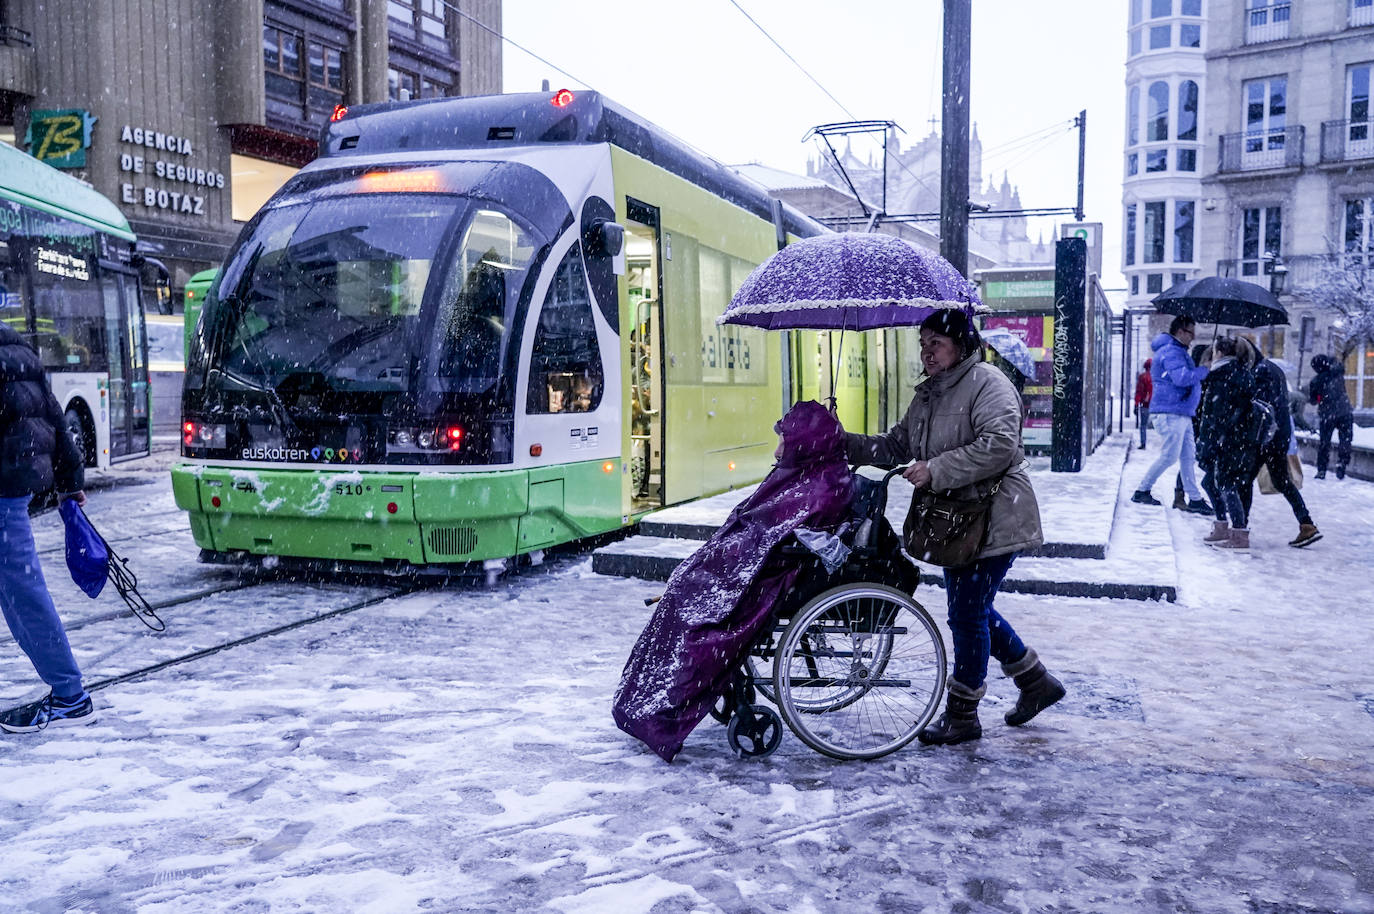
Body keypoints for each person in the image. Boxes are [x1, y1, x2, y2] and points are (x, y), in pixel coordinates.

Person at [844, 310, 1063, 746]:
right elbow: (896, 446)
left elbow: (1000, 446)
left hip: (996, 515)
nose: (926, 352)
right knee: (972, 608)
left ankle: (963, 714)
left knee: (966, 612)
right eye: (923, 343)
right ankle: (1035, 681)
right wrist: (842, 440)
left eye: (936, 344)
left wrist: (936, 469)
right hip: (956, 522)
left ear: (960, 345)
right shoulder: (928, 395)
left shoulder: (988, 383)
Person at [0, 322, 96, 733]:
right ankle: (68, 692)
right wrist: (70, 482)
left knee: (23, 593)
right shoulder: (16, 347)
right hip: (14, 486)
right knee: (20, 591)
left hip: (3, 489)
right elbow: (55, 417)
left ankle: (70, 695)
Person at [1132, 316, 1212, 513]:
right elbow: (1182, 378)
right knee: (1170, 456)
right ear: (1180, 332)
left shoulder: (1177, 352)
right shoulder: (1171, 352)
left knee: (1187, 457)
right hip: (1170, 412)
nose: (1192, 338)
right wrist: (1204, 369)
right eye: (1190, 333)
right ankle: (1142, 490)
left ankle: (1194, 499)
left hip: (1181, 411)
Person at [1246, 345, 1321, 548]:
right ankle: (1306, 523)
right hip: (1278, 434)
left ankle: (1239, 529)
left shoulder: (1260, 371)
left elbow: (1259, 404)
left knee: (1244, 480)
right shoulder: (1271, 368)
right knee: (1281, 481)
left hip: (1266, 435)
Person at [1196, 338, 1260, 552]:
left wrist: (1207, 443)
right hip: (1242, 440)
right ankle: (1223, 526)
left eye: (1214, 351)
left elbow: (1212, 416)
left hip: (1225, 441)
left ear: (1220, 353)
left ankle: (1239, 533)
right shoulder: (1243, 373)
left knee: (1225, 484)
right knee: (1214, 483)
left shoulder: (1220, 377)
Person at [1308, 354, 1354, 480]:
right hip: (1345, 412)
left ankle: (1322, 469)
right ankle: (1342, 463)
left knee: (1324, 443)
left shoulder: (1316, 381)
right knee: (1345, 439)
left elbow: (1313, 400)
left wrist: (1317, 397)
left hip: (1327, 415)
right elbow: (1339, 365)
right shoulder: (1338, 374)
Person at [1134, 358, 1153, 449]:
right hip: (1158, 406)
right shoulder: (1158, 377)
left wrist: (1136, 404)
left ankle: (1143, 443)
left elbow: (1139, 392)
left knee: (1143, 425)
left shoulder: (1143, 377)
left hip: (1145, 405)